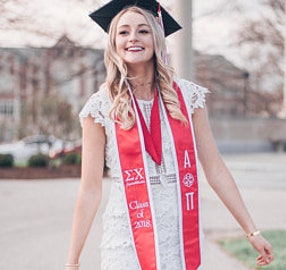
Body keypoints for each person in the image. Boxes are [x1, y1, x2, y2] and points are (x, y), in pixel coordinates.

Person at [65, 0, 274, 269]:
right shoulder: (101, 106)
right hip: (127, 237)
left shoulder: (188, 98)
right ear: (113, 41)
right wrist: (72, 260)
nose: (133, 38)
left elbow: (215, 170)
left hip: (179, 231)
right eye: (124, 32)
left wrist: (252, 232)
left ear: (157, 36)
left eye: (143, 30)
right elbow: (90, 189)